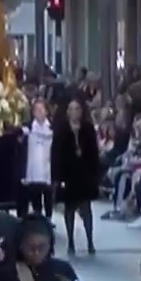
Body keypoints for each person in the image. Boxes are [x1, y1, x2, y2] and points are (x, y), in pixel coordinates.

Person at [51, 98, 101, 255]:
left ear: (82, 111)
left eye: (77, 109)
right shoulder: (61, 130)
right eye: (71, 109)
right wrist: (56, 177)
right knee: (69, 208)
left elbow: (94, 153)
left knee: (86, 208)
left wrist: (95, 174)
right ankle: (71, 240)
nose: (74, 112)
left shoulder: (88, 129)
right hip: (68, 173)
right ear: (67, 112)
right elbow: (56, 154)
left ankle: (90, 240)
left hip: (84, 173)